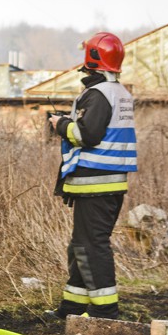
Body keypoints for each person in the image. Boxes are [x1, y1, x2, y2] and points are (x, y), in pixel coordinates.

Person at [47, 32, 137, 320]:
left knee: (91, 246)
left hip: (95, 184)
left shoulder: (98, 94)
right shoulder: (119, 92)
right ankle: (72, 307)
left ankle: (106, 314)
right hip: (107, 183)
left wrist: (61, 124)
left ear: (92, 59)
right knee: (82, 245)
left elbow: (87, 134)